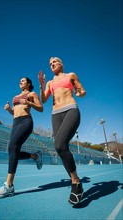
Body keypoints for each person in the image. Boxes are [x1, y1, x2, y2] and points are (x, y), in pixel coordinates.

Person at [38, 57, 86, 205]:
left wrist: (80, 93)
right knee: (59, 147)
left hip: (71, 109)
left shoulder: (70, 75)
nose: (52, 65)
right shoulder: (50, 82)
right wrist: (42, 85)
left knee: (59, 144)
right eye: (50, 64)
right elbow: (44, 100)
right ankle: (76, 182)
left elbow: (82, 90)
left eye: (54, 62)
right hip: (55, 114)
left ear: (61, 64)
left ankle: (75, 182)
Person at [0, 77, 43, 198]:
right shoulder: (15, 97)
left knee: (12, 147)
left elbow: (40, 108)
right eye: (19, 81)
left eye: (23, 81)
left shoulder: (31, 93)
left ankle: (9, 186)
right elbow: (15, 112)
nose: (20, 82)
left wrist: (29, 102)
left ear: (29, 84)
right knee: (13, 151)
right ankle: (35, 156)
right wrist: (9, 109)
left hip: (26, 121)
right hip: (15, 123)